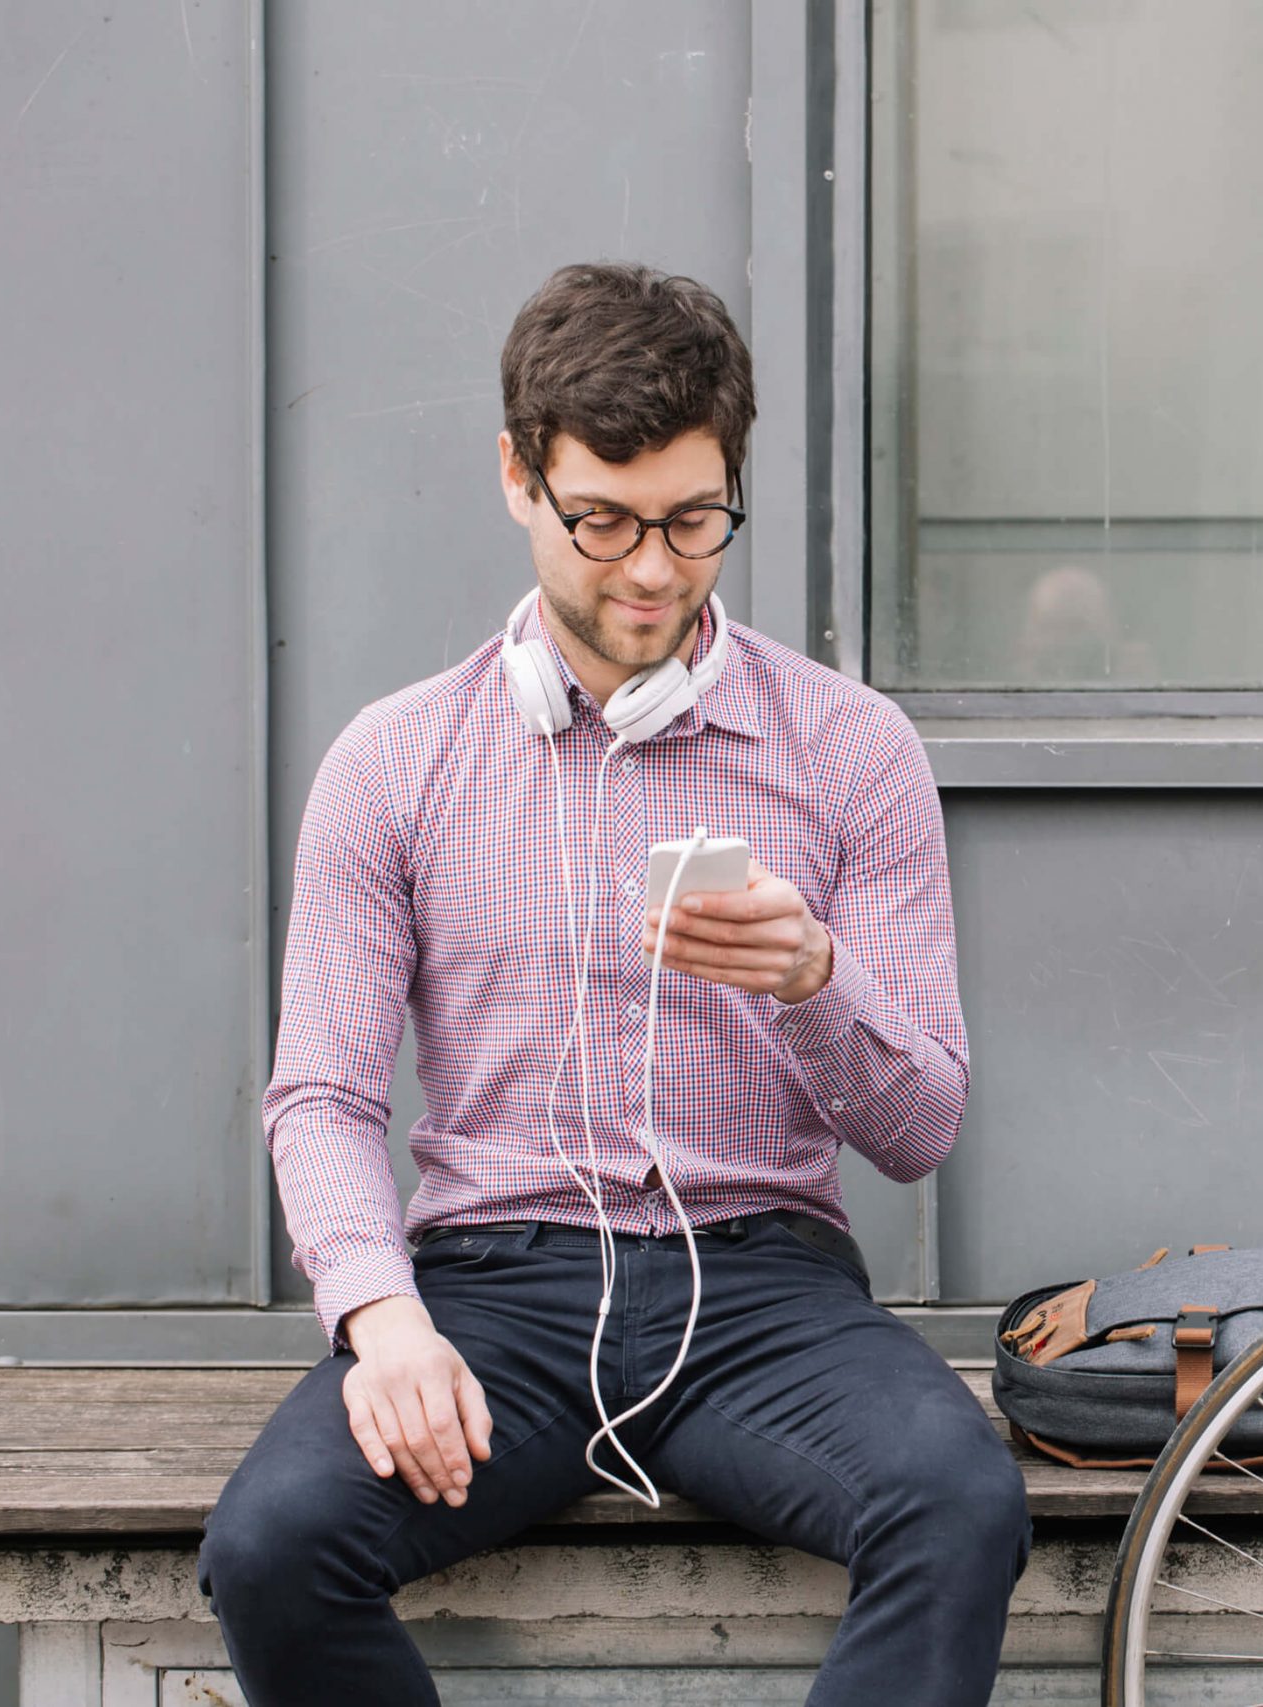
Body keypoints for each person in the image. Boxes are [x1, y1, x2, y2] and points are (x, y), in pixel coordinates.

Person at [198, 263, 1028, 1706]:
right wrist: (379, 1318)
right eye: (604, 522)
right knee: (271, 1546)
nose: (651, 570)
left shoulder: (850, 751)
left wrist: (816, 982)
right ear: (518, 479)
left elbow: (922, 1130)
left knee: (959, 1505)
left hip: (759, 1285)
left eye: (695, 522)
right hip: (489, 1293)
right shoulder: (392, 765)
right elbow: (322, 1094)